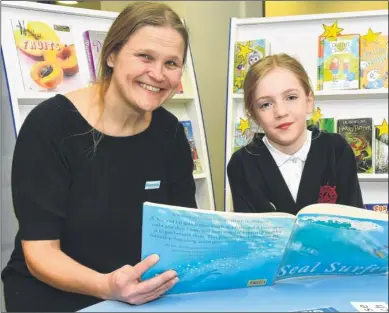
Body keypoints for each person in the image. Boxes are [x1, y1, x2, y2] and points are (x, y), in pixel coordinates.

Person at [1, 2, 197, 312]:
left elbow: (182, 231)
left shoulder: (169, 133)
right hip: (55, 298)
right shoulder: (50, 126)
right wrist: (107, 286)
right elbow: (40, 254)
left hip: (137, 296)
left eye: (171, 63)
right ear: (111, 55)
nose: (157, 74)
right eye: (145, 56)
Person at [227, 53, 364, 214]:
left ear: (308, 101)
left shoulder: (337, 150)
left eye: (291, 97)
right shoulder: (241, 165)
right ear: (254, 115)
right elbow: (248, 234)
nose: (281, 112)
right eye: (265, 104)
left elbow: (356, 225)